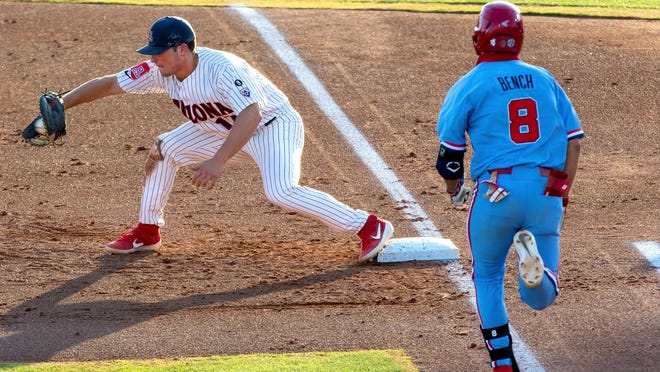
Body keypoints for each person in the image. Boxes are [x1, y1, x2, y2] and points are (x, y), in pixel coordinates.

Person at [56, 16, 393, 262]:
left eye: (160, 52)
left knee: (280, 191)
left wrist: (218, 161)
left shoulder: (222, 68)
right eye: (152, 51)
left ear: (183, 50)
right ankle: (147, 231)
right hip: (221, 129)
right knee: (165, 147)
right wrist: (62, 102)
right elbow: (111, 83)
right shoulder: (161, 71)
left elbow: (252, 114)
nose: (153, 58)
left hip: (271, 127)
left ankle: (368, 225)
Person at [434, 2, 584, 371]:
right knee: (540, 297)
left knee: (486, 275)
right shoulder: (543, 78)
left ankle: (502, 362)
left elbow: (449, 157)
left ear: (479, 36)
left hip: (495, 192)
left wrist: (455, 189)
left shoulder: (469, 84)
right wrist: (560, 193)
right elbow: (574, 142)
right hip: (546, 190)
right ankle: (534, 278)